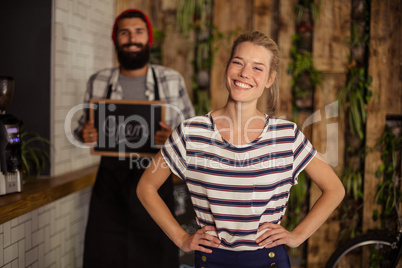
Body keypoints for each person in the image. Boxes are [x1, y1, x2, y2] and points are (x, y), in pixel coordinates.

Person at [137, 31, 345, 268]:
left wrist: (297, 236)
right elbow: (146, 187)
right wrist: (182, 238)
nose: (244, 73)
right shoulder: (191, 132)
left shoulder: (286, 136)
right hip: (210, 260)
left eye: (257, 68)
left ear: (269, 79)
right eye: (238, 62)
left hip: (268, 261)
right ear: (228, 67)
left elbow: (335, 189)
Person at [74, 9, 195, 268]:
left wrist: (172, 139)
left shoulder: (171, 79)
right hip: (110, 183)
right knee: (103, 254)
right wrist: (84, 133)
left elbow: (192, 137)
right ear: (116, 39)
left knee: (156, 256)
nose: (132, 38)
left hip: (156, 178)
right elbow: (82, 127)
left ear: (148, 39)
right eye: (124, 32)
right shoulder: (98, 81)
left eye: (138, 31)